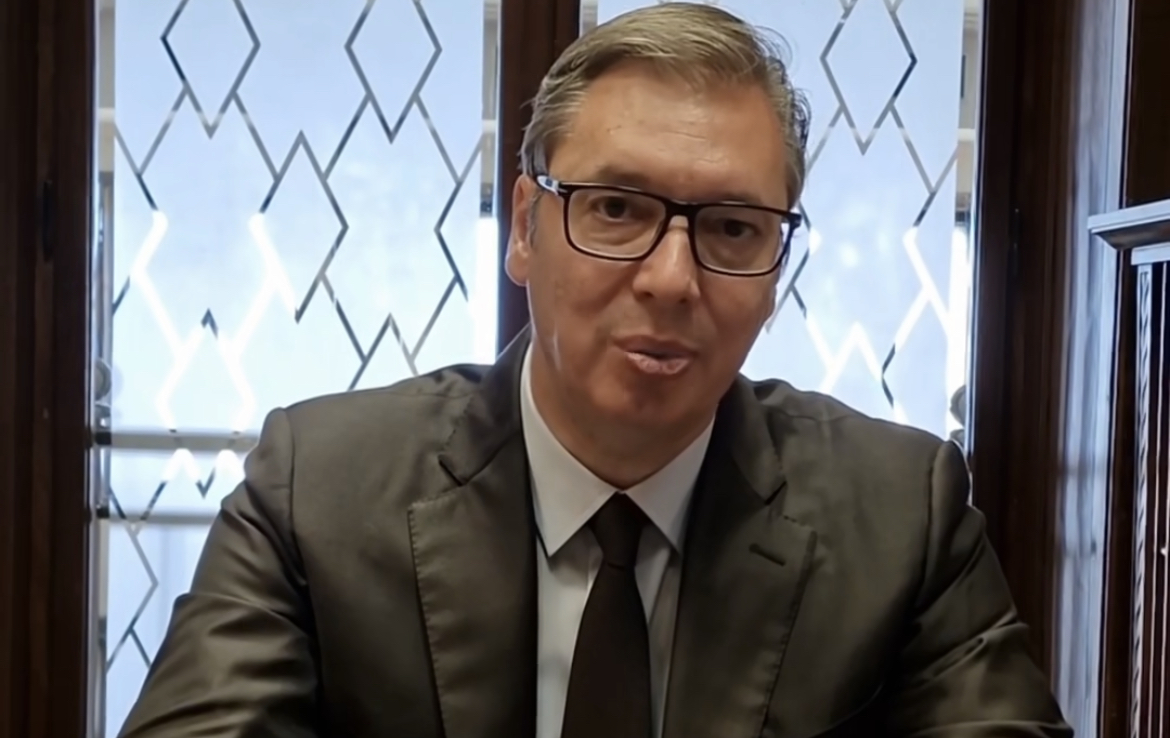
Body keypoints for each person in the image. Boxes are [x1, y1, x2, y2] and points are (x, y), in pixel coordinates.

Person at [118, 3, 1072, 737]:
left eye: (733, 228)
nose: (671, 279)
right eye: (616, 209)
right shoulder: (317, 489)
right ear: (524, 228)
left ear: (778, 268)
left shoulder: (901, 514)